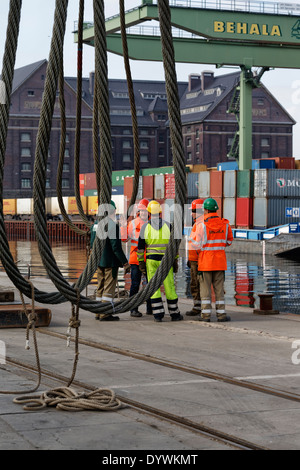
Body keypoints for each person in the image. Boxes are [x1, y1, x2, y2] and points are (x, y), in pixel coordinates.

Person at [137, 200, 183, 322]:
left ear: (149, 213)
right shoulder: (169, 226)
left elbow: (140, 249)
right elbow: (174, 247)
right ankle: (175, 314)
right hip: (166, 261)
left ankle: (158, 315)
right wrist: (175, 261)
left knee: (154, 287)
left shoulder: (144, 228)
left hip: (151, 261)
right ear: (161, 213)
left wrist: (141, 263)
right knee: (170, 287)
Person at [194, 197, 233, 323]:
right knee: (219, 290)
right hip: (220, 262)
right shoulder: (225, 224)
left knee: (205, 291)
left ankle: (205, 316)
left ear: (205, 210)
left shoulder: (200, 225)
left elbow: (195, 245)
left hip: (205, 263)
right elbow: (229, 241)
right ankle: (221, 315)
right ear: (216, 210)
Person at [91, 200, 130, 321]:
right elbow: (116, 247)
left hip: (98, 261)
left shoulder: (95, 225)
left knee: (100, 286)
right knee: (108, 288)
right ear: (112, 211)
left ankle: (98, 312)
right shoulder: (112, 225)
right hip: (110, 262)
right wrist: (124, 262)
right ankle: (105, 313)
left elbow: (92, 243)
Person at [120, 198, 152, 317]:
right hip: (135, 260)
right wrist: (123, 226)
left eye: (145, 211)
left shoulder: (152, 223)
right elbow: (124, 239)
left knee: (149, 284)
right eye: (142, 211)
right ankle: (133, 309)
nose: (144, 213)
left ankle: (150, 308)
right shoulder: (132, 223)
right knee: (135, 284)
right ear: (139, 211)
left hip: (148, 259)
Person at [186, 198, 204, 316]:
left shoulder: (201, 225)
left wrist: (195, 260)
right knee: (196, 284)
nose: (191, 213)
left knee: (196, 284)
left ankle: (198, 307)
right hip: (194, 260)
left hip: (197, 261)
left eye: (193, 211)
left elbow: (199, 245)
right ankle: (199, 306)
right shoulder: (197, 224)